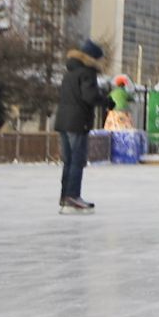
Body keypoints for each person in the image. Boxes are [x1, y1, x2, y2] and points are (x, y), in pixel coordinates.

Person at [55, 38, 111, 212]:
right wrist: (107, 101)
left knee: (68, 161)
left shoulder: (69, 72)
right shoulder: (87, 72)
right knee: (77, 161)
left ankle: (65, 196)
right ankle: (73, 197)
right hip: (78, 122)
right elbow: (89, 96)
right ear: (92, 57)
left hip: (63, 121)